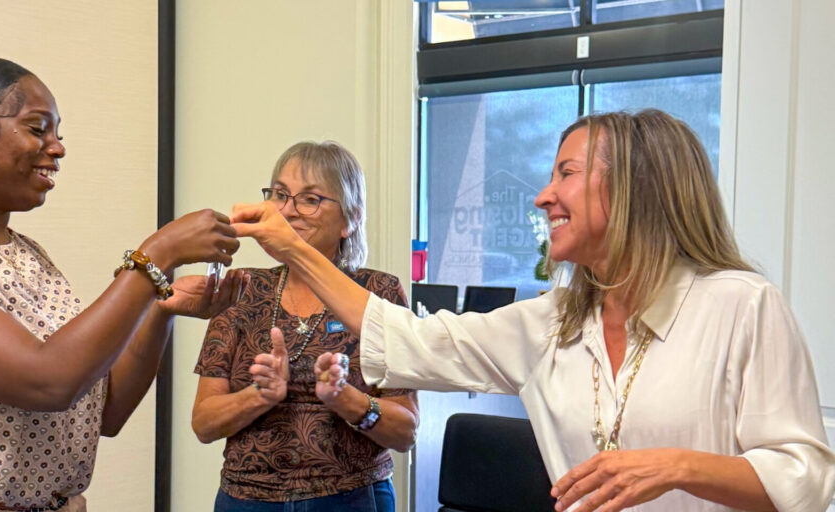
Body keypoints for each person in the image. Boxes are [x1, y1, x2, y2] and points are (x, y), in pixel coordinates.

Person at [231, 110, 835, 511]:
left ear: (633, 188)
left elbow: (805, 476)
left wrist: (677, 467)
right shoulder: (552, 320)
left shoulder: (740, 306)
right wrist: (290, 248)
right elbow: (409, 339)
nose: (544, 195)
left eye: (565, 173)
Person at [0, 56, 247, 512]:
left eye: (58, 133)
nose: (57, 148)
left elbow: (105, 409)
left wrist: (158, 307)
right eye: (38, 129)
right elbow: (48, 382)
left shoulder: (28, 255)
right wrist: (155, 255)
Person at [191, 141, 419, 511]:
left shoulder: (379, 293)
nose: (288, 211)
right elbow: (204, 423)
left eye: (310, 198)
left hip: (351, 497)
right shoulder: (243, 288)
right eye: (280, 195)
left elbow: (405, 431)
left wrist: (347, 400)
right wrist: (259, 396)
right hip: (246, 499)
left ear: (351, 218)